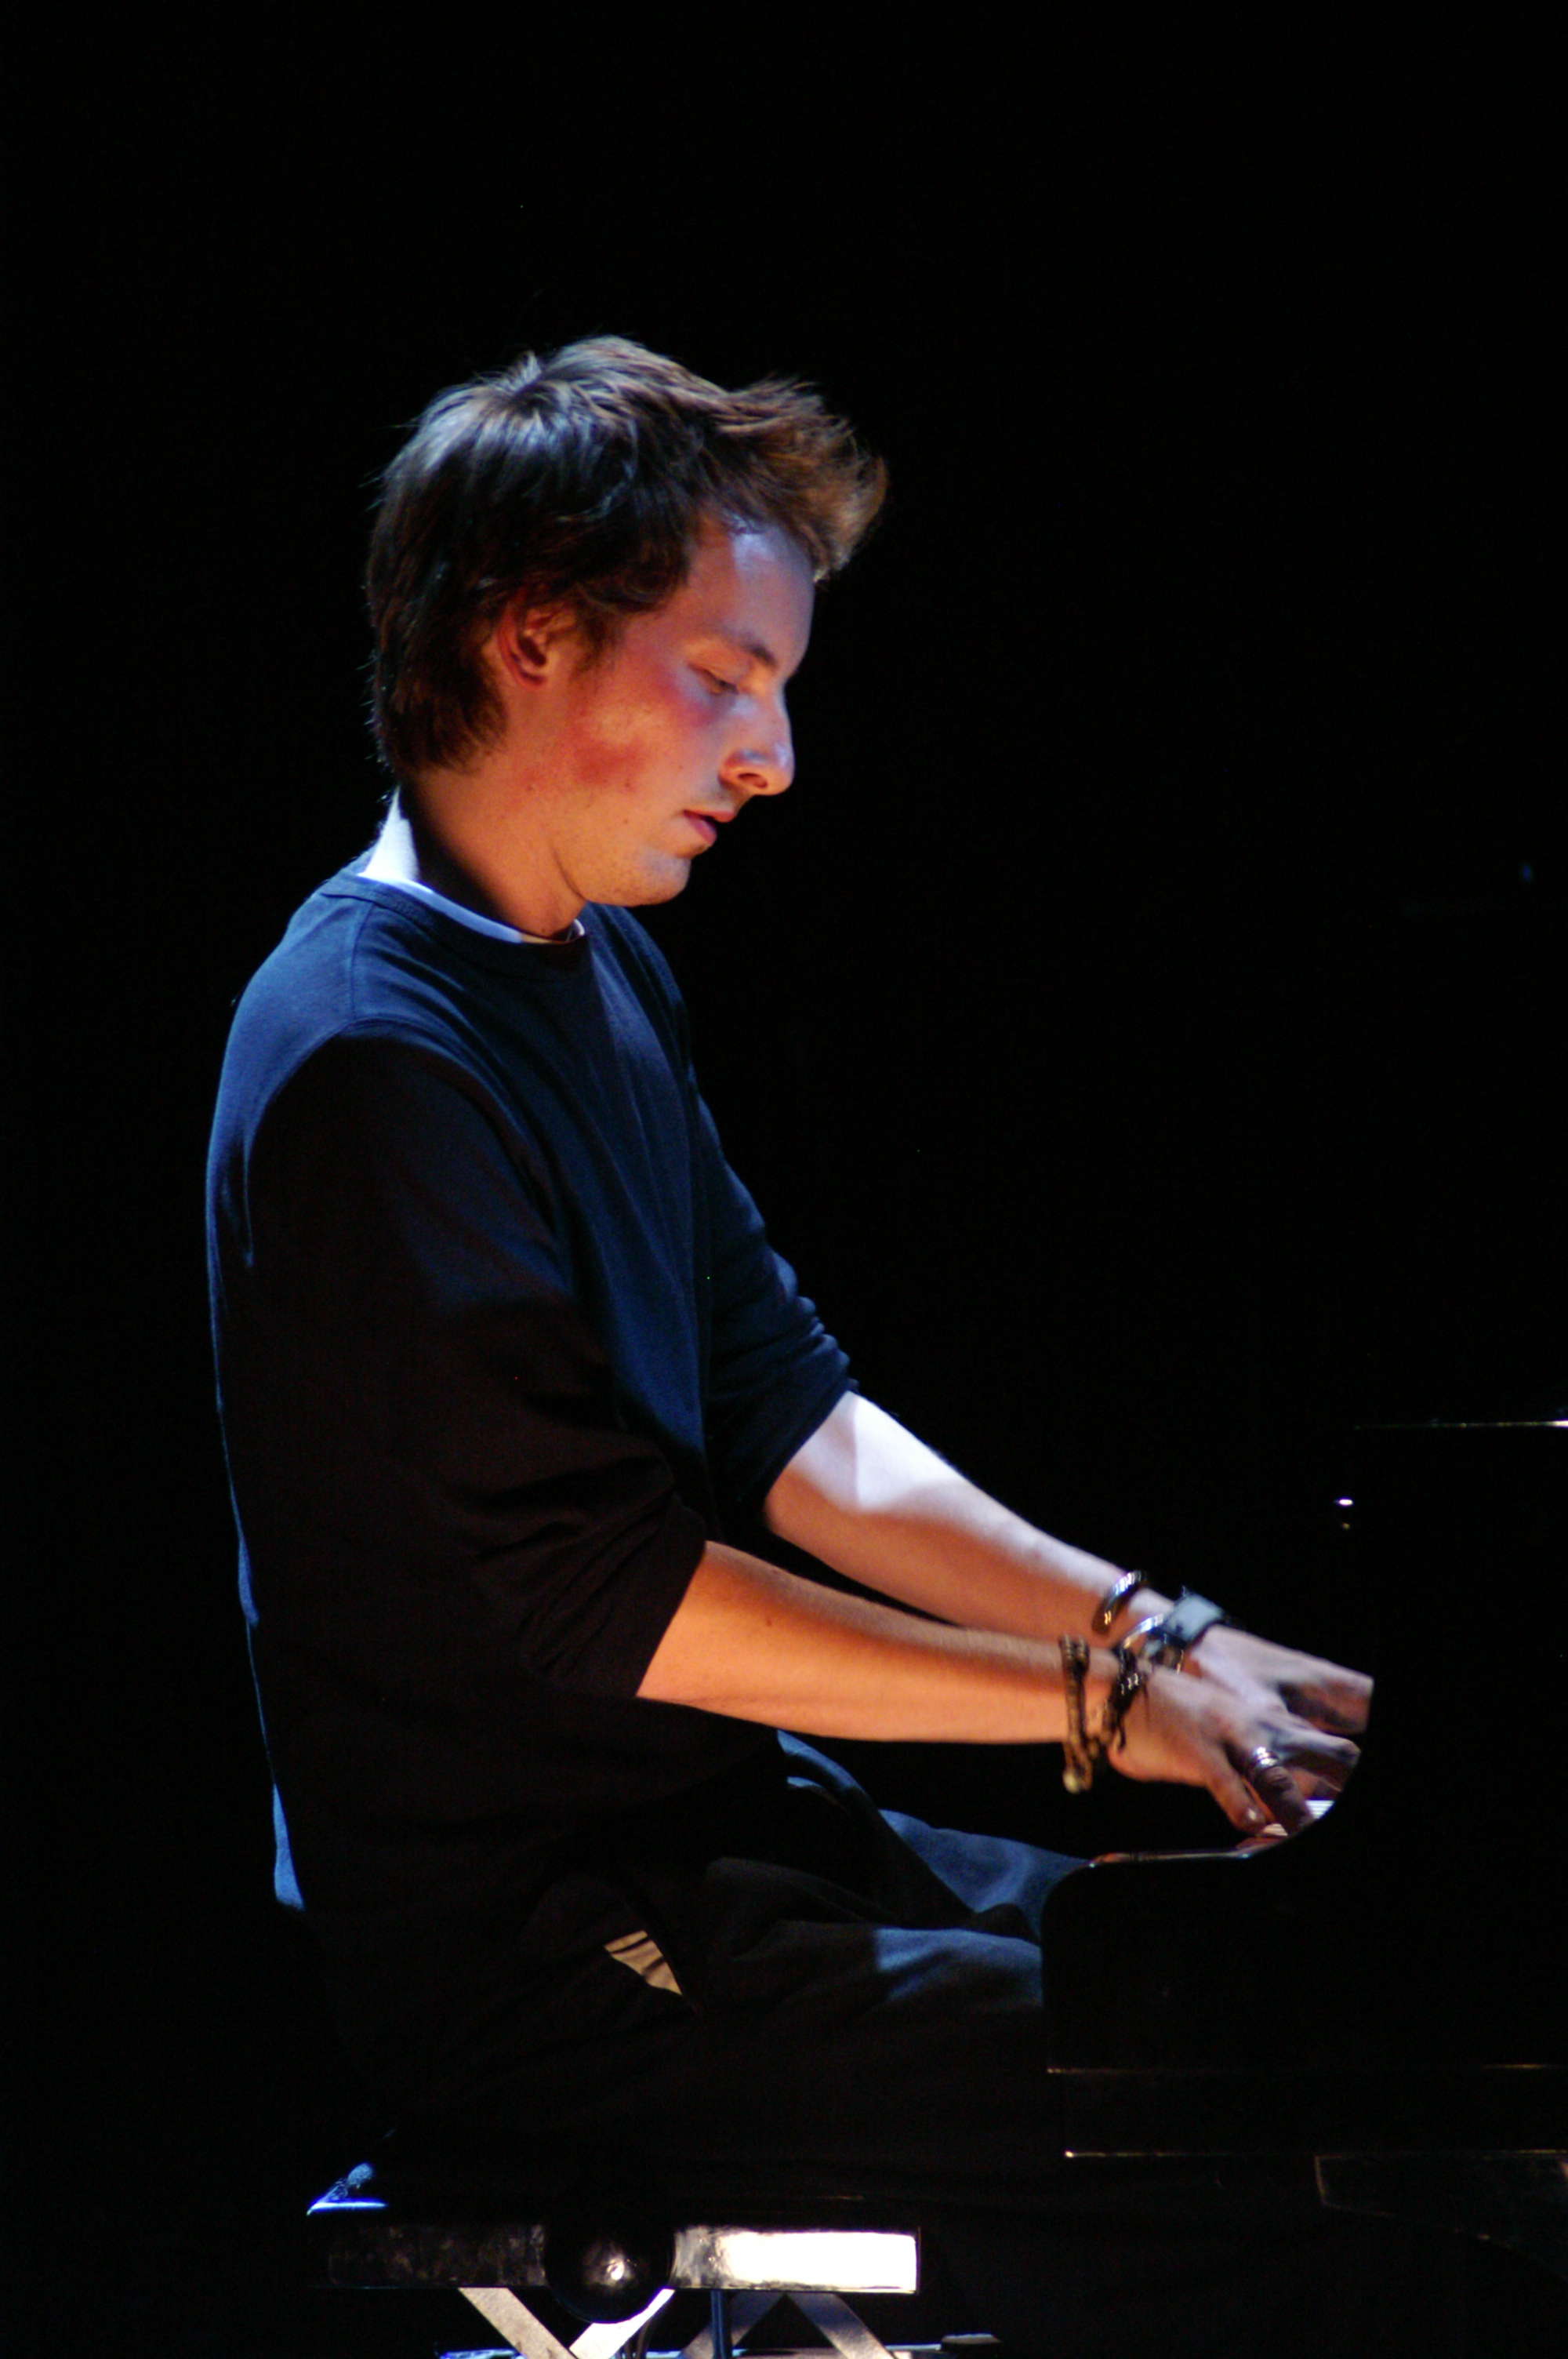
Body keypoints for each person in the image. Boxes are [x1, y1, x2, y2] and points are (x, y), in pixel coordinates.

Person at [207, 337, 1475, 2354]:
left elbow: (791, 1412)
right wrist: (1097, 1704)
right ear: (530, 636)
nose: (773, 756)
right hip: (545, 1959)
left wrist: (1163, 1633)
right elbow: (618, 1604)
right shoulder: (371, 1060)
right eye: (728, 676)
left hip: (727, 1854)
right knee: (1275, 2150)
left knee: (1324, 2017)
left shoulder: (598, 966)